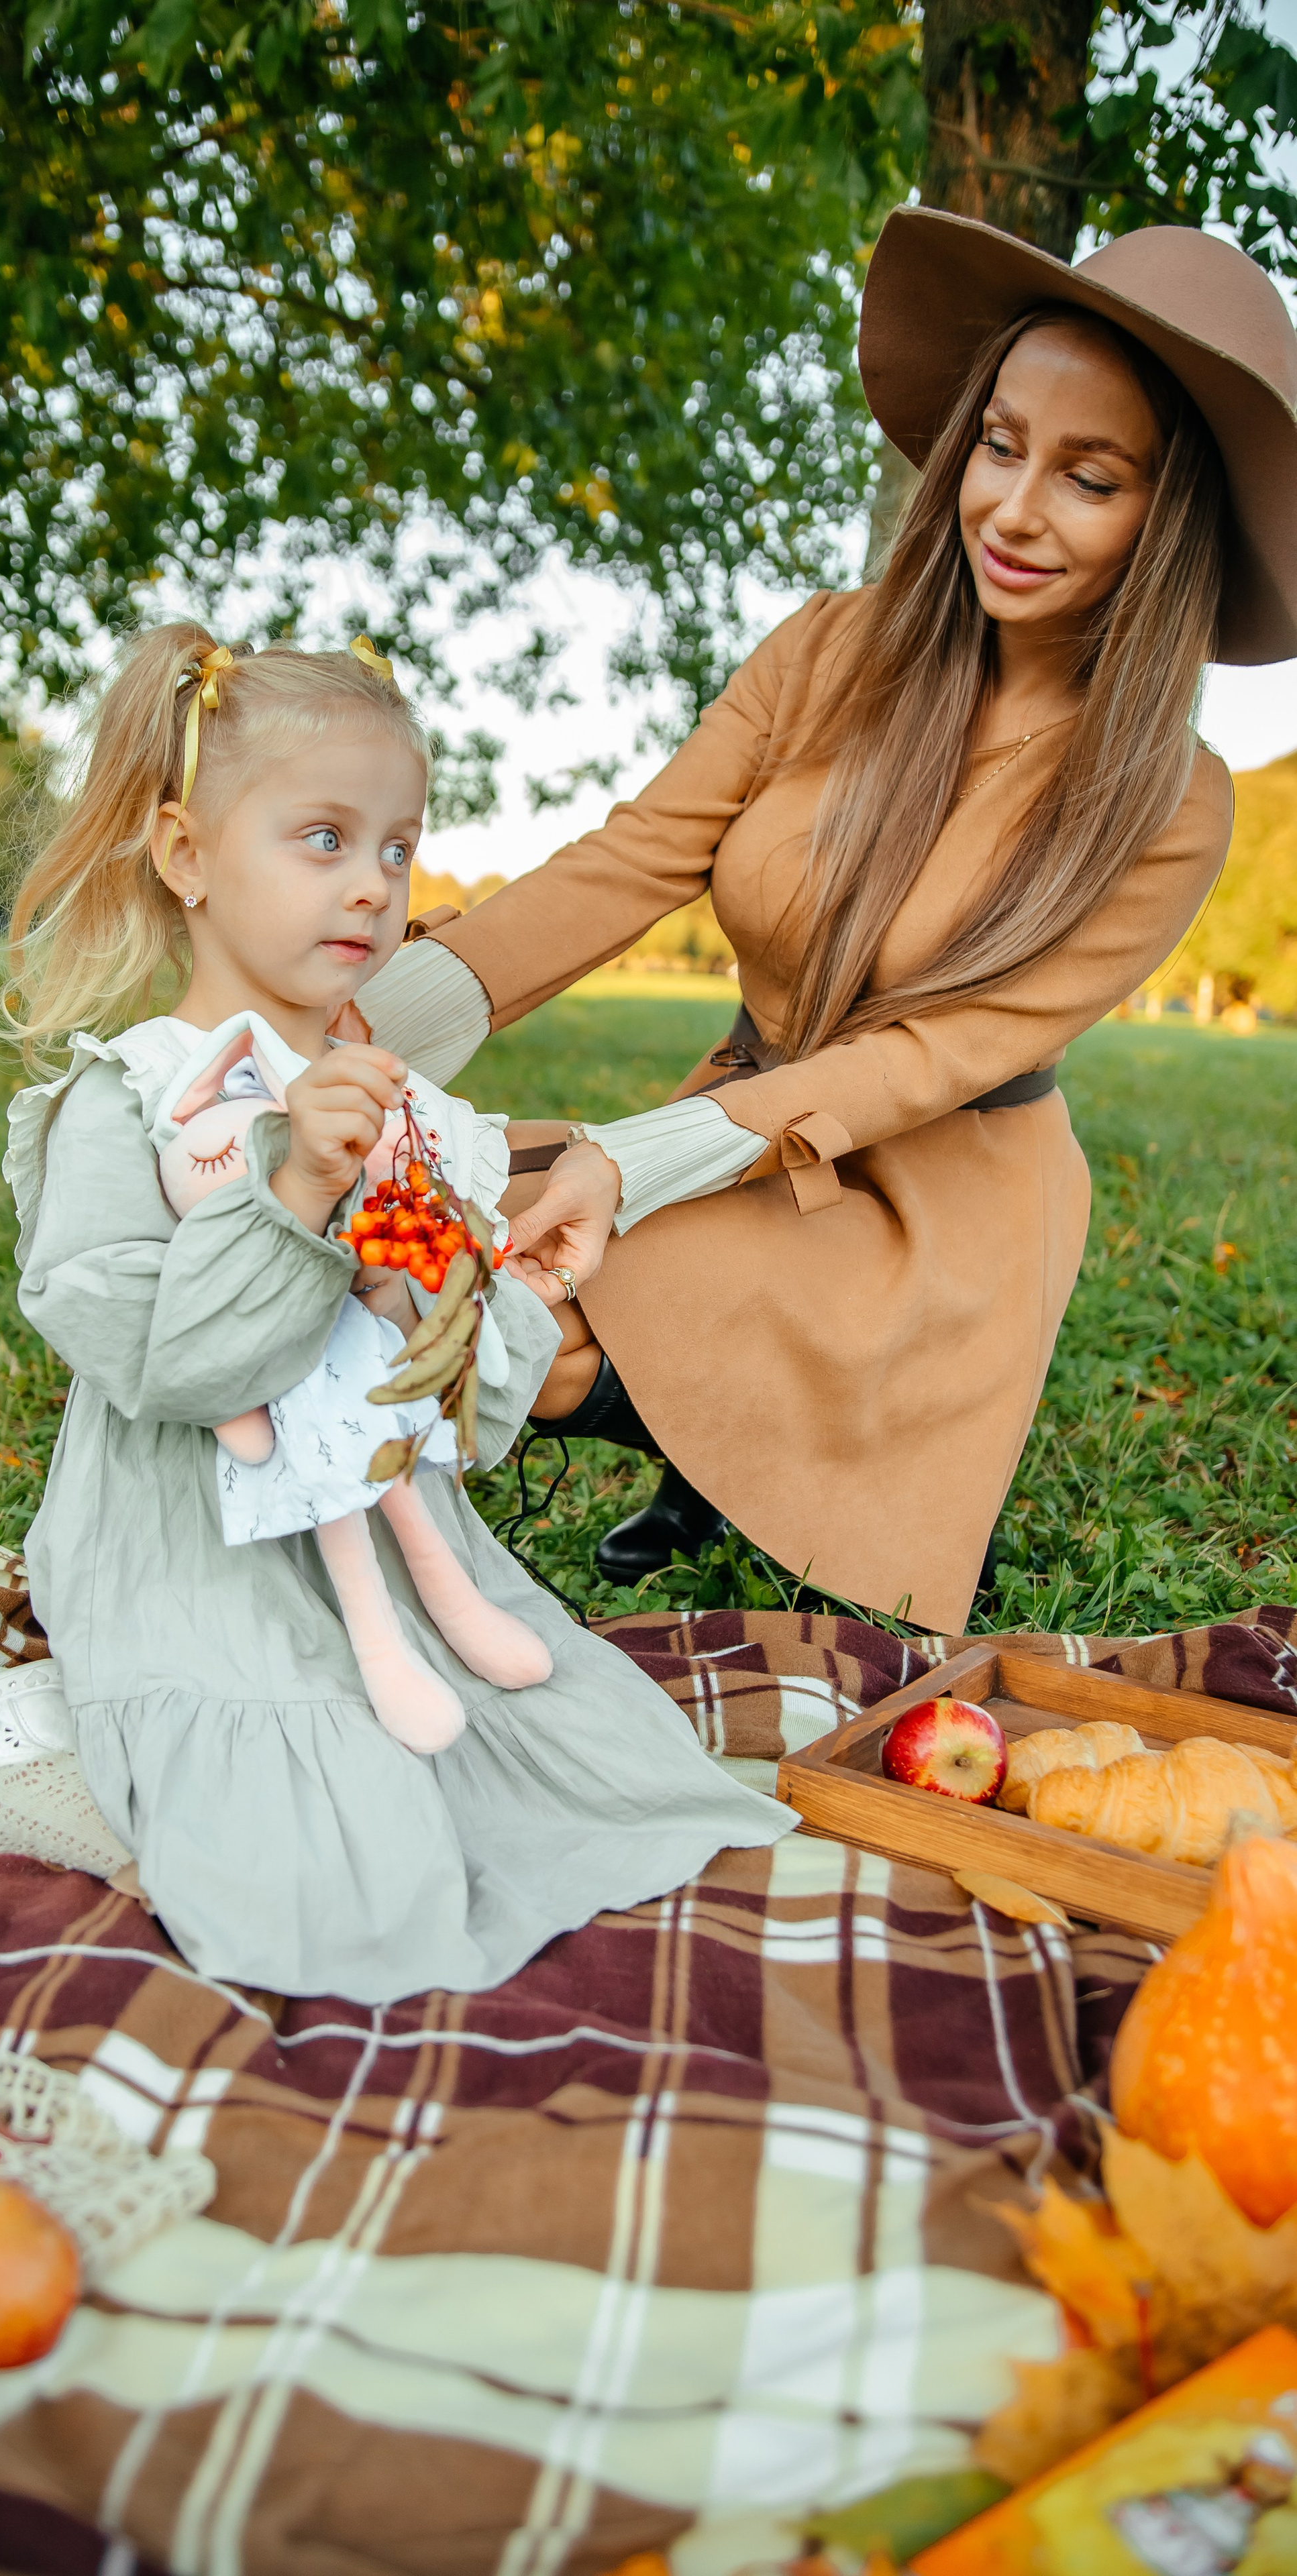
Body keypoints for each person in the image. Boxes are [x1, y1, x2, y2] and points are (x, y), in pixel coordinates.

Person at [359, 207, 1297, 1633]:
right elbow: (629, 862)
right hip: (746, 1125)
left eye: (1087, 479)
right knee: (446, 1239)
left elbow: (926, 1061)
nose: (1011, 509)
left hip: (937, 1200)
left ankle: (826, 1461)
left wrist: (629, 1159)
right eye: (997, 445)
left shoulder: (1169, 800)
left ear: (1164, 524)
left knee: (545, 1313)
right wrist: (346, 1028)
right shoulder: (826, 650)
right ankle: (713, 1440)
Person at [0, 629, 789, 2004]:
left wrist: (501, 1295)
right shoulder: (131, 1101)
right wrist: (288, 1195)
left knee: (590, 1761)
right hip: (196, 1558)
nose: (372, 886)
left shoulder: (408, 1111)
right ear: (185, 854)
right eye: (322, 838)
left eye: (395, 848)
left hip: (401, 1550)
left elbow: (453, 1397)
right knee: (337, 1859)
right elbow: (167, 1368)